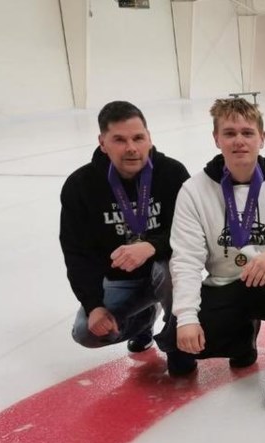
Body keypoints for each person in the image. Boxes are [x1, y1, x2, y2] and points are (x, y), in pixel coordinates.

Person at [168, 98, 265, 405]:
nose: (239, 141)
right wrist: (188, 318)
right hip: (224, 284)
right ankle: (242, 341)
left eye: (247, 132)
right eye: (229, 133)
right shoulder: (195, 191)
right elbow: (187, 260)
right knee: (177, 345)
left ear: (262, 138)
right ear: (216, 139)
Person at [59, 100, 192, 370]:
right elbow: (76, 254)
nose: (131, 148)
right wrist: (93, 305)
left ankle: (177, 342)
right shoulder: (81, 186)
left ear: (149, 138)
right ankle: (143, 320)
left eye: (138, 138)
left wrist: (151, 246)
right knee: (86, 331)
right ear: (102, 142)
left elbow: (191, 232)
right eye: (119, 139)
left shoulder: (172, 174)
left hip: (165, 271)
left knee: (169, 270)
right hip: (120, 281)